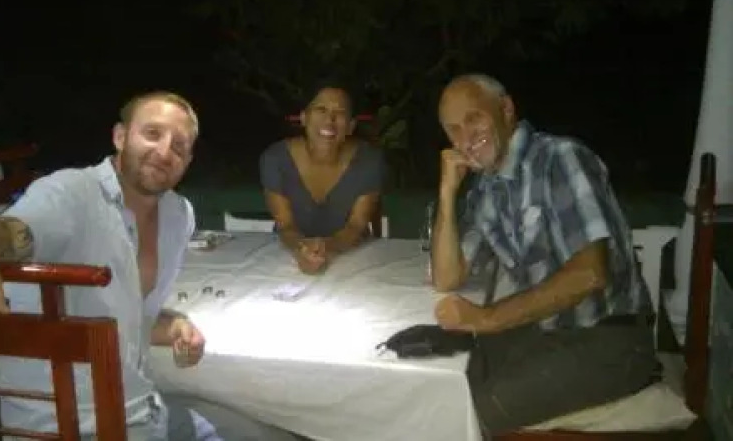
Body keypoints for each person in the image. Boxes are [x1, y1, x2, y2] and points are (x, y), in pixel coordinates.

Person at [0, 91, 299, 441]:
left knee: (259, 431)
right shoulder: (73, 193)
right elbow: (14, 230)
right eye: (152, 134)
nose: (164, 151)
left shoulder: (178, 215)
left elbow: (124, 313)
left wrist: (173, 324)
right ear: (120, 137)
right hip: (70, 428)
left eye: (179, 146)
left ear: (187, 161)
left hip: (140, 407)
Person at [429, 74, 660, 434]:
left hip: (611, 339)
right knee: (448, 385)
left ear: (506, 109)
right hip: (548, 330)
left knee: (466, 415)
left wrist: (487, 318)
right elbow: (447, 277)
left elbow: (590, 273)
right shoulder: (486, 188)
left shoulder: (560, 159)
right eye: (453, 130)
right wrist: (446, 192)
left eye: (474, 119)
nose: (466, 138)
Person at [259, 83, 386, 274]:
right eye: (321, 109)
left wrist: (326, 248)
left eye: (340, 113)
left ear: (350, 126)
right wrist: (302, 249)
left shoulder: (369, 160)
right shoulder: (275, 159)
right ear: (304, 118)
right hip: (289, 256)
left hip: (353, 258)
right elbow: (285, 225)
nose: (329, 119)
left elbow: (356, 226)